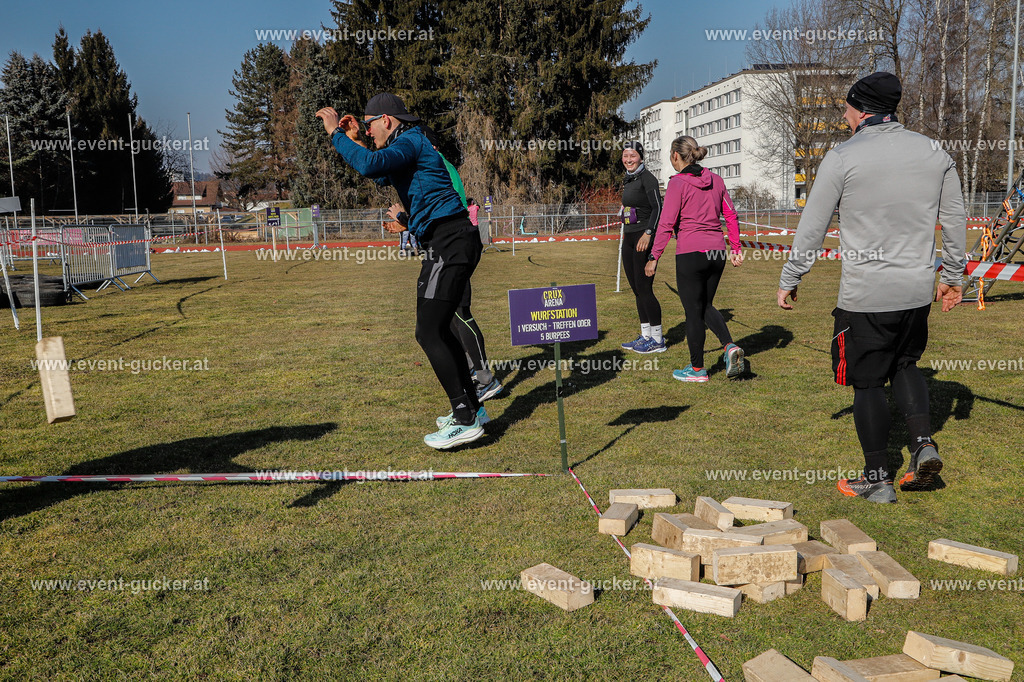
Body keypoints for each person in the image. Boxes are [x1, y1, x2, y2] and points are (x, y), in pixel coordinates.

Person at [777, 72, 966, 504]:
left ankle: (877, 477)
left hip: (867, 295)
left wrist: (791, 278)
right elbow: (955, 220)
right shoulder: (936, 152)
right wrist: (953, 277)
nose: (843, 118)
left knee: (866, 382)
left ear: (861, 109)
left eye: (845, 109)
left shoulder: (843, 156)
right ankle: (923, 445)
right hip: (917, 290)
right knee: (905, 365)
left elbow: (812, 225)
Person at [316, 93, 488, 450]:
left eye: (369, 124)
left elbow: (369, 165)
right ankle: (472, 408)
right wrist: (355, 141)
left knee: (427, 332)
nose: (367, 129)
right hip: (447, 240)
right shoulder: (407, 145)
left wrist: (335, 133)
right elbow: (378, 168)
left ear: (388, 120)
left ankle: (465, 418)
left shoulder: (410, 140)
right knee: (439, 328)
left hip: (449, 242)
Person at [645, 136, 745, 382]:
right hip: (716, 253)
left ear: (675, 156)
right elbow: (731, 216)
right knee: (705, 306)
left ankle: (698, 370)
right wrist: (735, 247)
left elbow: (666, 224)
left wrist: (653, 256)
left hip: (690, 253)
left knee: (693, 311)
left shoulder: (678, 184)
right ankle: (729, 347)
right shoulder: (718, 180)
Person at [617, 141, 666, 354]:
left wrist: (648, 233)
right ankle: (645, 335)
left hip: (643, 237)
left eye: (633, 156)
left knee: (645, 288)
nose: (628, 159)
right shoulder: (629, 179)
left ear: (641, 157)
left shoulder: (648, 179)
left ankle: (658, 339)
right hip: (628, 237)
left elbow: (658, 208)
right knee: (637, 289)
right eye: (625, 156)